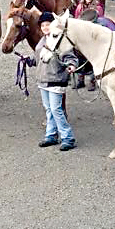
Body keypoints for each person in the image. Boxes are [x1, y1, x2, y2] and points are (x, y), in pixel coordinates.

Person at [34, 12, 75, 151]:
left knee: (57, 110)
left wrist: (71, 64)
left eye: (48, 24)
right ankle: (51, 135)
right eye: (43, 25)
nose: (45, 27)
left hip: (56, 78)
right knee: (49, 110)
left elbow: (69, 55)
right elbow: (38, 58)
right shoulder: (42, 41)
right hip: (43, 79)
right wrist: (29, 60)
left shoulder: (59, 40)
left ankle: (67, 137)